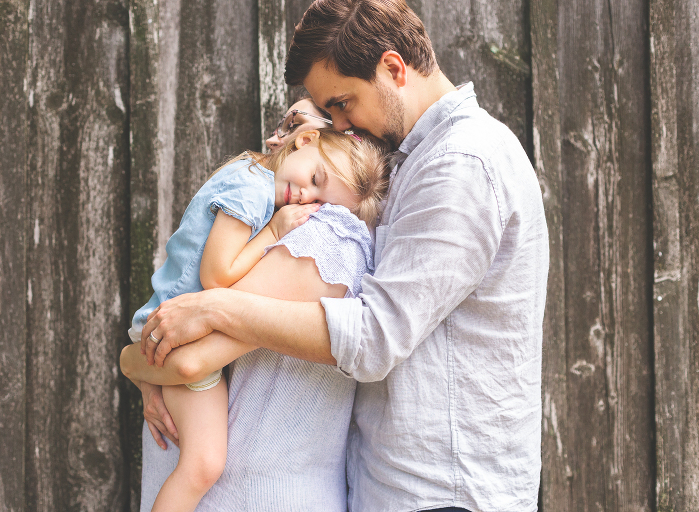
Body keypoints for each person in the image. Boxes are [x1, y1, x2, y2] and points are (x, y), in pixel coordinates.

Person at [137, 1, 550, 511]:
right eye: (326, 113)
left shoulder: (459, 165)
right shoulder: (410, 160)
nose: (340, 122)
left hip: (445, 492)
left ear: (394, 68)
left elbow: (377, 335)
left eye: (343, 103)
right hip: (396, 486)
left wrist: (213, 308)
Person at [123, 124, 387, 511]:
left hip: (170, 334)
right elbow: (216, 278)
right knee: (202, 465)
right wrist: (274, 232)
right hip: (172, 330)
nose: (304, 197)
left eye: (319, 199)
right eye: (314, 179)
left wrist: (133, 367)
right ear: (307, 139)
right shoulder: (252, 190)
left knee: (202, 464)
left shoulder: (258, 183)